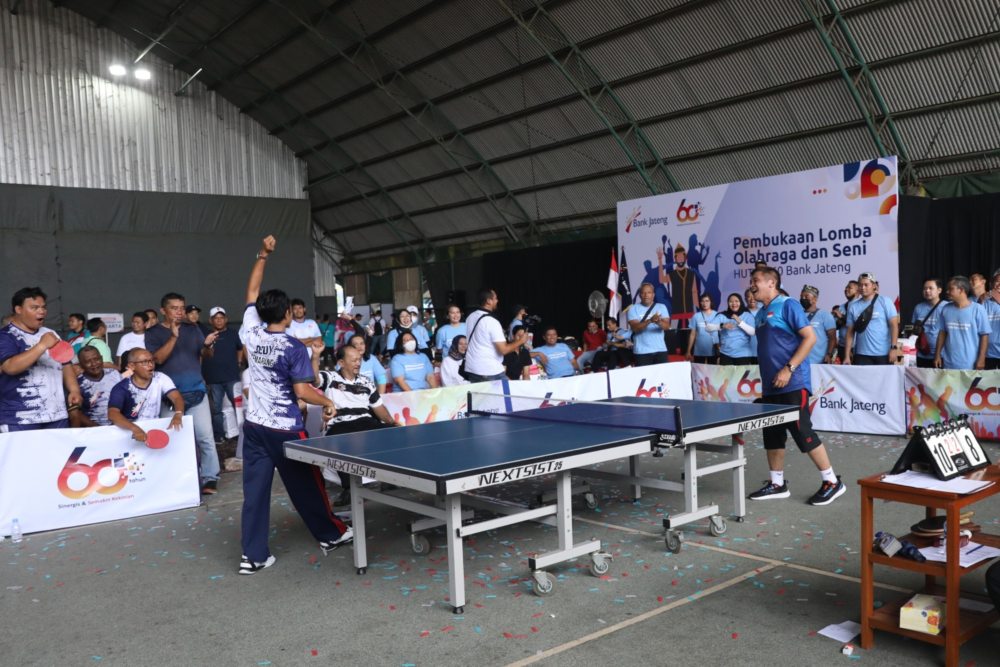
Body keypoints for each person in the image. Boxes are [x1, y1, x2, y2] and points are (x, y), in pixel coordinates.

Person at [237, 235, 352, 575]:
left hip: (254, 428)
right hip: (285, 428)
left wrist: (262, 255)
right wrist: (328, 399)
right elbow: (303, 391)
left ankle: (253, 556)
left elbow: (251, 294)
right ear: (288, 314)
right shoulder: (292, 348)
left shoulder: (251, 331)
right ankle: (331, 534)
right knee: (308, 483)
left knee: (254, 495)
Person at [747, 267, 846, 506]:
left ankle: (832, 482)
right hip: (771, 387)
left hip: (793, 382)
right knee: (772, 434)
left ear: (772, 283)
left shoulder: (788, 304)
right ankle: (777, 483)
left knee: (802, 431)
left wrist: (788, 369)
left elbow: (810, 337)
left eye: (756, 281)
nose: (752, 285)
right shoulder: (760, 314)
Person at [145, 292, 221, 495]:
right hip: (169, 397)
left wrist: (207, 345)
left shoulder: (193, 328)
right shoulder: (152, 333)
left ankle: (210, 478)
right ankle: (176, 478)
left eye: (181, 308)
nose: (179, 312)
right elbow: (157, 360)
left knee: (205, 438)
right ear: (163, 310)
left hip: (196, 391)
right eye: (174, 308)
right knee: (171, 440)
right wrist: (173, 336)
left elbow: (206, 355)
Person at [313, 343, 398, 507]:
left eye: (359, 360)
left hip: (365, 421)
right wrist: (316, 356)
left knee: (394, 434)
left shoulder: (366, 382)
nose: (358, 363)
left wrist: (393, 423)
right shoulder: (330, 377)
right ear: (342, 362)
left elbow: (379, 409)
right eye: (353, 360)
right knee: (338, 443)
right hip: (341, 424)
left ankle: (390, 478)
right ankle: (349, 489)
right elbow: (315, 378)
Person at [0, 287, 82, 431]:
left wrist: (74, 390)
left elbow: (65, 363)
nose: (41, 311)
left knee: (57, 454)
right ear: (18, 309)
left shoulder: (51, 333)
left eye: (43, 307)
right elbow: (10, 367)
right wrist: (42, 345)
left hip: (56, 415)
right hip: (20, 418)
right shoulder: (6, 335)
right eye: (34, 307)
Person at [107, 348, 184, 441]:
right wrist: (134, 428)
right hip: (129, 433)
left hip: (154, 428)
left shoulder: (160, 378)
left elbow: (176, 397)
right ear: (132, 366)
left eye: (151, 360)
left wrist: (178, 414)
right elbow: (112, 414)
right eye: (144, 362)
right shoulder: (122, 388)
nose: (150, 365)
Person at [466, 288, 528, 382]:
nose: (497, 300)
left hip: (472, 369)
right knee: (508, 393)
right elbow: (503, 350)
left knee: (480, 397)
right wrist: (521, 341)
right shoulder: (492, 321)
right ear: (488, 301)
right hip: (488, 371)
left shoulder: (471, 316)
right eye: (495, 298)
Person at [202, 307, 244, 445]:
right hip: (213, 379)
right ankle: (219, 436)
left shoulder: (233, 333)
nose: (219, 320)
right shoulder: (205, 334)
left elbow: (240, 348)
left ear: (226, 319)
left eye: (221, 318)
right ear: (210, 320)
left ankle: (242, 433)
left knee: (238, 406)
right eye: (216, 318)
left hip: (231, 377)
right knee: (216, 410)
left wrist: (238, 362)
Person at [934, 276, 989, 370]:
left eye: (950, 289)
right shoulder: (946, 308)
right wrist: (937, 355)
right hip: (948, 363)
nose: (947, 291)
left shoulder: (978, 309)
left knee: (971, 385)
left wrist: (981, 359)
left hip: (971, 363)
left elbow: (984, 335)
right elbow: (942, 333)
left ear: (961, 290)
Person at [844, 272, 899, 366]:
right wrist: (847, 355)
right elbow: (850, 332)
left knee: (883, 380)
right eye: (860, 285)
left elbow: (894, 325)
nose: (863, 287)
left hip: (883, 353)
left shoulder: (885, 301)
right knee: (862, 381)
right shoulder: (853, 306)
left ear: (873, 285)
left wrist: (893, 348)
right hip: (861, 354)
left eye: (866, 284)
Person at [71, 345, 122, 427]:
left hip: (118, 426)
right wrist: (97, 428)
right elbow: (75, 413)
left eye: (96, 359)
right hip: (92, 430)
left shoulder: (114, 374)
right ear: (80, 364)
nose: (94, 364)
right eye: (88, 361)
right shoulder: (77, 382)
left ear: (101, 358)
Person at [627, 282, 671, 366]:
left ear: (653, 294)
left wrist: (658, 321)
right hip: (642, 352)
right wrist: (650, 320)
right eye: (643, 293)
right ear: (640, 295)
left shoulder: (662, 307)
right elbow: (635, 328)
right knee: (644, 378)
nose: (646, 295)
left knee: (662, 378)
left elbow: (667, 327)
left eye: (649, 292)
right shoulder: (633, 309)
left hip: (660, 350)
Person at [658, 243, 698, 328]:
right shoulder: (673, 274)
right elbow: (661, 279)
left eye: (682, 257)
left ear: (685, 258)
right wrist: (660, 260)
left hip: (689, 308)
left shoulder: (691, 273)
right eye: (678, 258)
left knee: (692, 332)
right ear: (675, 259)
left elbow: (694, 291)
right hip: (676, 308)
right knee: (673, 332)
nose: (680, 260)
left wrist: (696, 307)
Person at [911, 278, 946, 369]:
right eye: (925, 288)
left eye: (931, 288)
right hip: (922, 354)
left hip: (941, 355)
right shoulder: (918, 307)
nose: (927, 291)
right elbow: (914, 330)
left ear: (939, 290)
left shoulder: (947, 307)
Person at [800, 286, 836, 366]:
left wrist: (829, 354)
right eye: (801, 296)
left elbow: (832, 338)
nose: (803, 298)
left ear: (815, 299)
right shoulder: (798, 315)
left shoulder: (825, 315)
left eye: (806, 296)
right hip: (800, 360)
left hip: (819, 361)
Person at [716, 293, 756, 364]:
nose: (734, 303)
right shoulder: (722, 315)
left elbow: (752, 332)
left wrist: (740, 321)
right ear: (728, 303)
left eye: (736, 301)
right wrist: (722, 325)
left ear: (741, 302)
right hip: (725, 354)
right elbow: (709, 328)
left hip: (743, 354)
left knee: (742, 375)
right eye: (731, 301)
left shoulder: (748, 315)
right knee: (726, 375)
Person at [686, 294, 720, 364]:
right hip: (699, 350)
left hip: (713, 350)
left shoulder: (717, 315)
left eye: (707, 301)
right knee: (699, 372)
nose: (705, 303)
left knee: (712, 372)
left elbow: (722, 333)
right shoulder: (696, 316)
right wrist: (688, 351)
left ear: (711, 302)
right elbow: (692, 334)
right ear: (700, 303)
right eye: (702, 301)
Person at [833, 280, 859, 363]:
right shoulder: (841, 307)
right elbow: (837, 326)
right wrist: (834, 318)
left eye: (849, 288)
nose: (846, 289)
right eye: (846, 287)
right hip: (841, 346)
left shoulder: (860, 305)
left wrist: (841, 316)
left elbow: (856, 324)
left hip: (855, 347)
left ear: (857, 291)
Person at [984, 270, 1000, 369]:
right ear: (991, 284)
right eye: (997, 281)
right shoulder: (982, 303)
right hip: (987, 355)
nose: (999, 285)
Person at [744, 287, 760, 363]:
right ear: (745, 299)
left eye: (754, 296)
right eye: (749, 297)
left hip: (760, 350)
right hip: (744, 351)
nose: (752, 299)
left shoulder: (763, 311)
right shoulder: (742, 313)